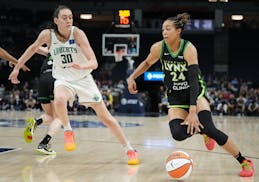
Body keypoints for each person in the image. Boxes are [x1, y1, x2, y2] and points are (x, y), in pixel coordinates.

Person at [9, 5, 139, 165]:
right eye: (64, 17)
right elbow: (32, 49)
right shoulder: (47, 35)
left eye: (70, 17)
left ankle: (129, 149)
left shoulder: (77, 33)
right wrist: (16, 69)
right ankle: (68, 130)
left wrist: (83, 66)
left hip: (83, 78)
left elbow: (94, 62)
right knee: (59, 99)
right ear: (56, 20)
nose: (68, 20)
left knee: (106, 118)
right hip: (63, 79)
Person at [127, 13, 254, 176]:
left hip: (195, 92)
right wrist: (132, 76)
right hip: (175, 96)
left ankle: (244, 161)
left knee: (211, 128)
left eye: (168, 29)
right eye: (162, 29)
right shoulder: (158, 48)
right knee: (178, 134)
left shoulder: (188, 49)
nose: (164, 32)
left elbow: (194, 80)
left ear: (178, 31)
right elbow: (146, 63)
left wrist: (193, 111)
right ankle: (202, 133)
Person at [23, 47, 61, 155]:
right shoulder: (70, 52)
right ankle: (43, 144)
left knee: (50, 116)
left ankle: (35, 122)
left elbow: (35, 47)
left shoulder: (52, 51)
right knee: (60, 117)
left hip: (43, 79)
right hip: (55, 79)